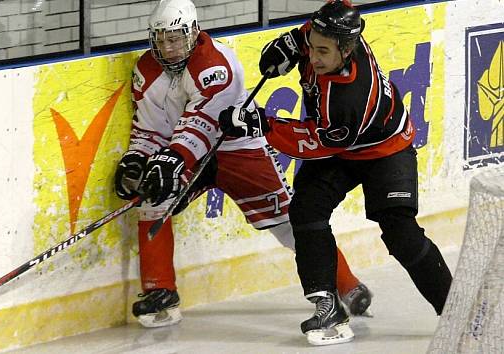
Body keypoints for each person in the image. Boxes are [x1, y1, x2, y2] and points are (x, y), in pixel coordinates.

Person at [114, 0, 373, 329]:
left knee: (289, 222)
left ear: (193, 33)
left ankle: (347, 284)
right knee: (153, 198)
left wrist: (172, 159)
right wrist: (137, 158)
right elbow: (150, 127)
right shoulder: (147, 70)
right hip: (188, 151)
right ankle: (161, 292)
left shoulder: (216, 63)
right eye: (161, 39)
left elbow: (203, 123)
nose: (169, 47)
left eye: (176, 38)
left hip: (236, 149)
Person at [218, 0, 452, 346]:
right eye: (312, 47)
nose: (313, 57)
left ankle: (453, 305)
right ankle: (328, 305)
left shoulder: (349, 97)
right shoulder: (329, 38)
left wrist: (260, 123)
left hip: (384, 150)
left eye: (322, 52)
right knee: (305, 210)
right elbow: (319, 23)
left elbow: (316, 142)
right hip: (337, 143)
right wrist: (290, 43)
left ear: (347, 49)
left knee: (400, 233)